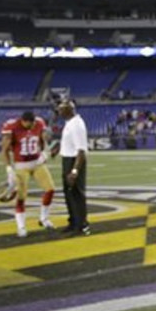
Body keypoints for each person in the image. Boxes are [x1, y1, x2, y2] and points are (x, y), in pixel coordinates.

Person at [0, 111, 56, 237]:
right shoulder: (12, 127)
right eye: (29, 124)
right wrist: (9, 169)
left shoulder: (39, 123)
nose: (32, 126)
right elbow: (4, 150)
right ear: (23, 121)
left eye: (33, 123)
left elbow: (44, 140)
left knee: (50, 190)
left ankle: (44, 219)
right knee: (21, 197)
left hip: (37, 163)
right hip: (21, 165)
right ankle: (21, 226)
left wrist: (45, 153)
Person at [54, 99, 90, 236]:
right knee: (69, 194)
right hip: (67, 159)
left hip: (74, 161)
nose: (59, 111)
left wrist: (74, 171)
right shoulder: (69, 123)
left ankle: (82, 225)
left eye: (61, 109)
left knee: (77, 194)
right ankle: (73, 222)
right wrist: (58, 149)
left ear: (70, 109)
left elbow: (81, 151)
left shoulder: (77, 125)